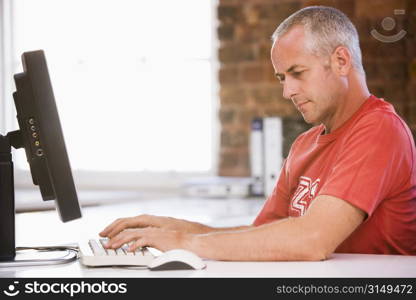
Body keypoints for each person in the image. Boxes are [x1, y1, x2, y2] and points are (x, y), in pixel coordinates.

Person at [100, 6, 416, 260]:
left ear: (341, 61)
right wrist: (178, 229)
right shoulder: (305, 144)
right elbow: (264, 237)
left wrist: (185, 241)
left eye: (297, 73)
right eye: (282, 78)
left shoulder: (379, 129)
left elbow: (312, 240)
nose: (287, 91)